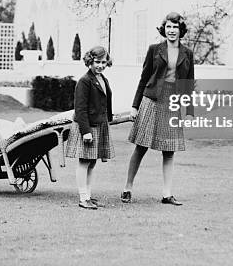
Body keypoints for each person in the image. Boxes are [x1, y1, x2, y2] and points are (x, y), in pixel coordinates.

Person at [121, 12, 194, 206]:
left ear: (181, 30)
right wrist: (135, 106)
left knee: (169, 151)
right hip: (151, 100)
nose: (172, 30)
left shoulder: (188, 53)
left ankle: (167, 194)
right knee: (141, 146)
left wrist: (189, 111)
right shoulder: (154, 49)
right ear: (164, 29)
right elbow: (144, 79)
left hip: (173, 103)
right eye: (169, 27)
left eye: (175, 27)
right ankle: (128, 188)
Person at [65, 45, 115, 210]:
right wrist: (86, 132)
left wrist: (108, 119)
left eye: (103, 62)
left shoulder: (103, 79)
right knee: (84, 161)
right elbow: (80, 109)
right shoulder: (84, 81)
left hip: (100, 125)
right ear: (90, 61)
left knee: (92, 162)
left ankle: (88, 195)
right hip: (87, 126)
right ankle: (82, 197)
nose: (100, 65)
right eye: (97, 62)